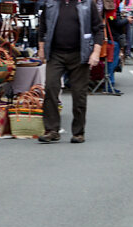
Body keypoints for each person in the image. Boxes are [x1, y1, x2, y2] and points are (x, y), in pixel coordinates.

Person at [37, 0, 104, 142]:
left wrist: (96, 52)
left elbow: (98, 29)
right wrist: (41, 48)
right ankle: (51, 130)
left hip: (79, 54)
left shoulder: (87, 4)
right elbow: (42, 28)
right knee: (50, 88)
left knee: (79, 93)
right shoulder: (51, 4)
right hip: (55, 54)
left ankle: (78, 132)